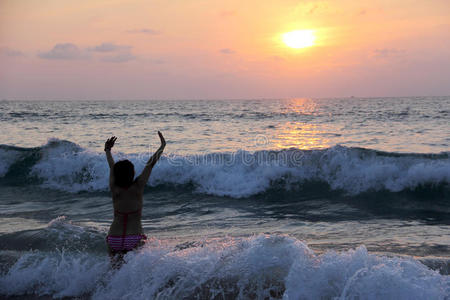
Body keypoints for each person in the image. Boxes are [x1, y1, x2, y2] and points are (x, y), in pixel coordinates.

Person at [104, 132, 166, 266]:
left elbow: (112, 167)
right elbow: (150, 164)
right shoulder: (138, 187)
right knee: (135, 271)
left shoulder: (114, 188)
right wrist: (162, 146)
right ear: (132, 173)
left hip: (114, 237)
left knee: (112, 270)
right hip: (134, 237)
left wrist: (108, 151)